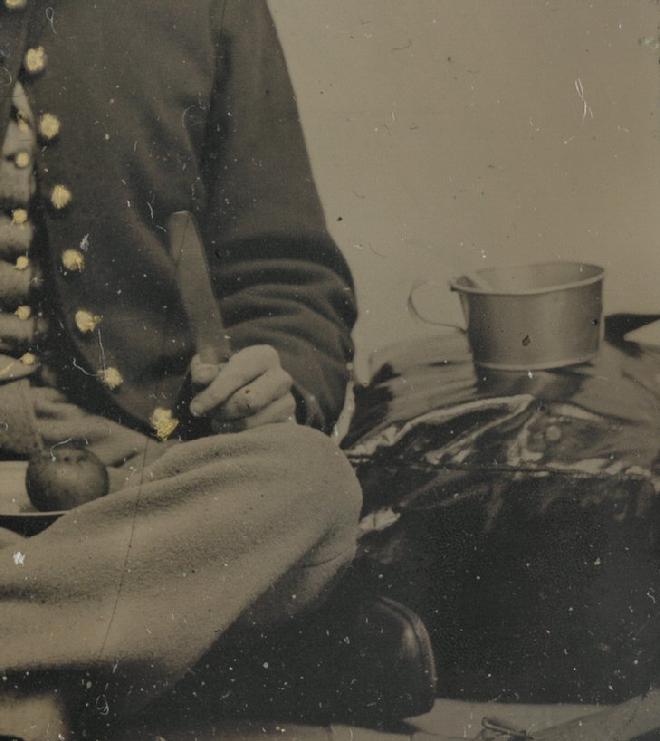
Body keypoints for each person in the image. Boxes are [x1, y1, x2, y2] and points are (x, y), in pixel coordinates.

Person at [0, 1, 435, 737]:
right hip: (132, 560)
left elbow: (287, 276)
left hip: (146, 480)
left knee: (310, 482)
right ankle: (78, 673)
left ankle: (53, 662)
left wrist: (279, 374)